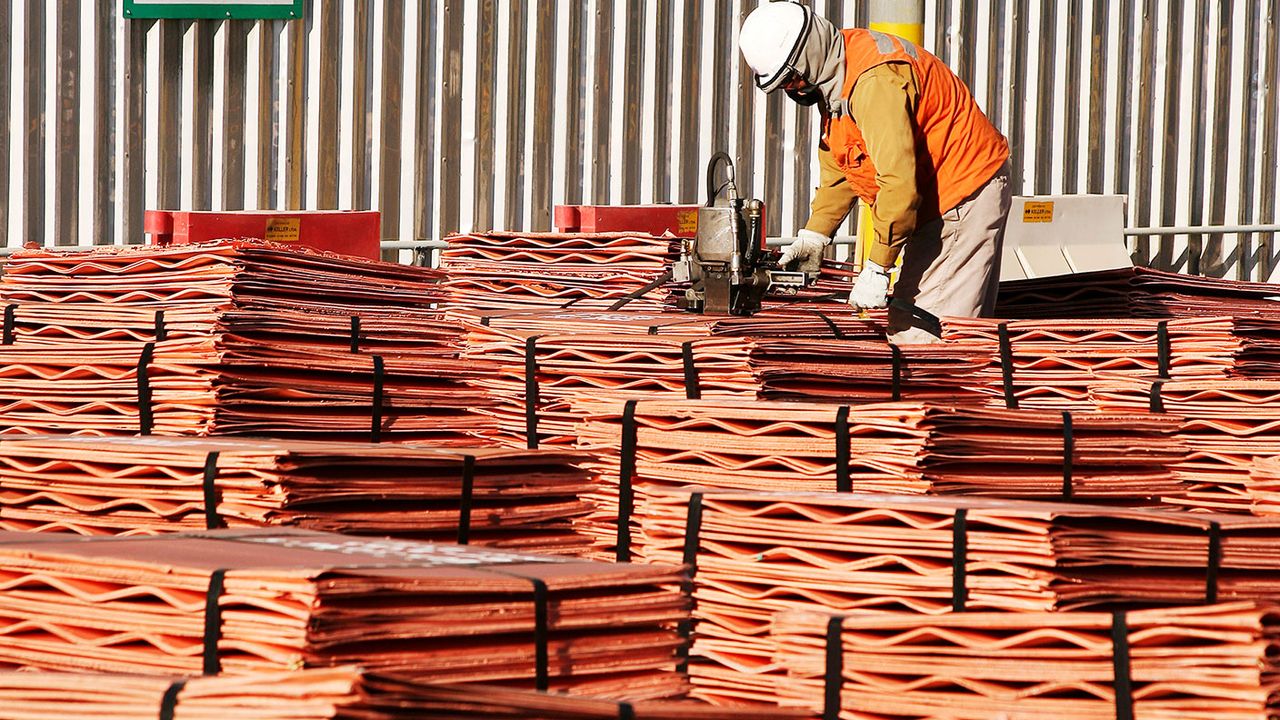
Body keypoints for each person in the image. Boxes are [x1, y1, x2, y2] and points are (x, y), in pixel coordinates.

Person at [738, 0, 1012, 343]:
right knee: (909, 316)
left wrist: (878, 267)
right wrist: (815, 234)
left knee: (924, 333)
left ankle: (938, 395)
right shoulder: (839, 70)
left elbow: (898, 184)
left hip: (963, 191)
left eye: (791, 81)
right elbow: (846, 163)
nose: (792, 90)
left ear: (805, 58)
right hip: (938, 195)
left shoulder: (873, 83)